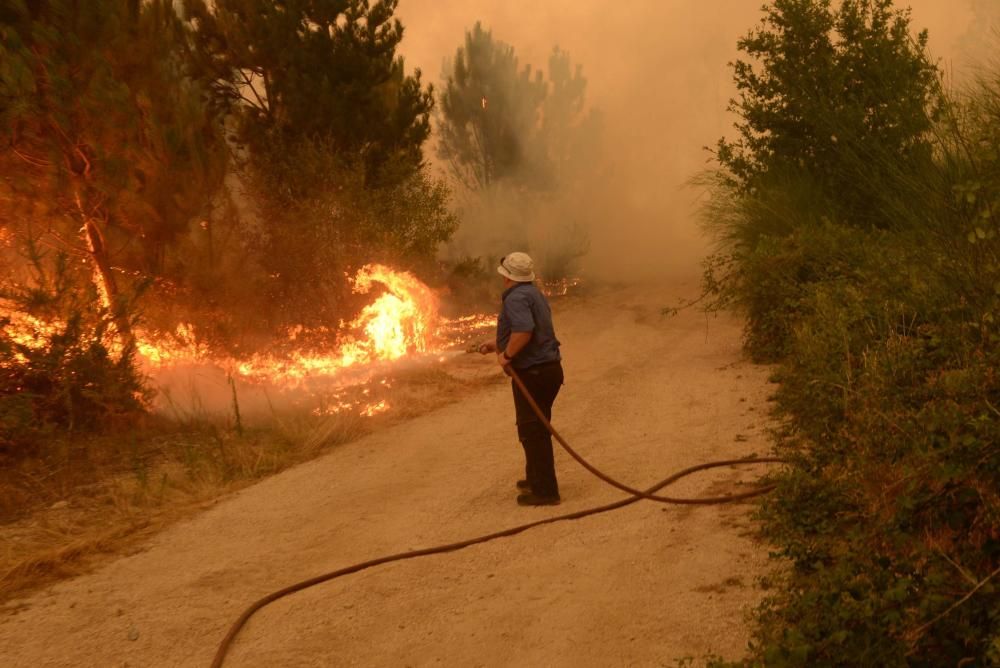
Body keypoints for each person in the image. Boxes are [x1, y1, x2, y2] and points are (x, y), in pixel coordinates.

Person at [478, 252, 564, 506]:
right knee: (536, 427)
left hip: (534, 372)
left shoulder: (515, 298)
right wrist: (497, 344)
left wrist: (506, 354)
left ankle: (546, 491)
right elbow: (532, 331)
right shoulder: (533, 294)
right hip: (548, 369)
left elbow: (525, 331)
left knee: (532, 431)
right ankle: (536, 477)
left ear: (506, 277)